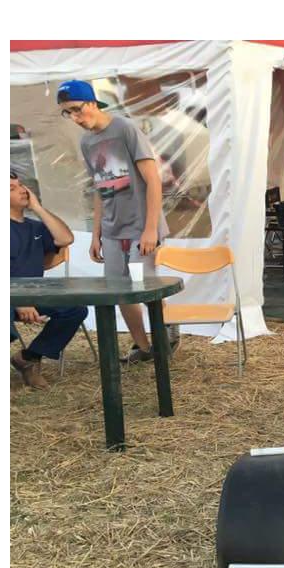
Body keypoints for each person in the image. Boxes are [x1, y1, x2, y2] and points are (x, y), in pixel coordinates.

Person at [56, 79, 177, 363]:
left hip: (141, 226)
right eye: (67, 113)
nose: (74, 118)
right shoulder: (86, 142)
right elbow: (102, 188)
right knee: (118, 292)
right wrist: (96, 233)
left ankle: (167, 335)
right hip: (112, 230)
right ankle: (143, 348)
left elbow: (153, 181)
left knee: (146, 288)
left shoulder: (125, 129)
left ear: (92, 103)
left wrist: (150, 229)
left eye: (76, 109)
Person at [10, 172, 85, 389]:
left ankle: (29, 358)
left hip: (34, 293)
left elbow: (66, 238)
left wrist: (38, 208)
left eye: (21, 185)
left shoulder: (35, 227)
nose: (22, 190)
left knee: (75, 309)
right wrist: (19, 301)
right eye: (12, 188)